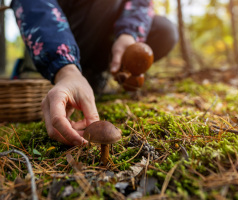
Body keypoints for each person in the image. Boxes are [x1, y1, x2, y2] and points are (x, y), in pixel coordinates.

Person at [11, 0, 179, 146]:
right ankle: (66, 73)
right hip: (57, 34)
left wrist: (129, 33)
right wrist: (64, 69)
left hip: (100, 31)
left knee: (164, 30)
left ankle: (94, 73)